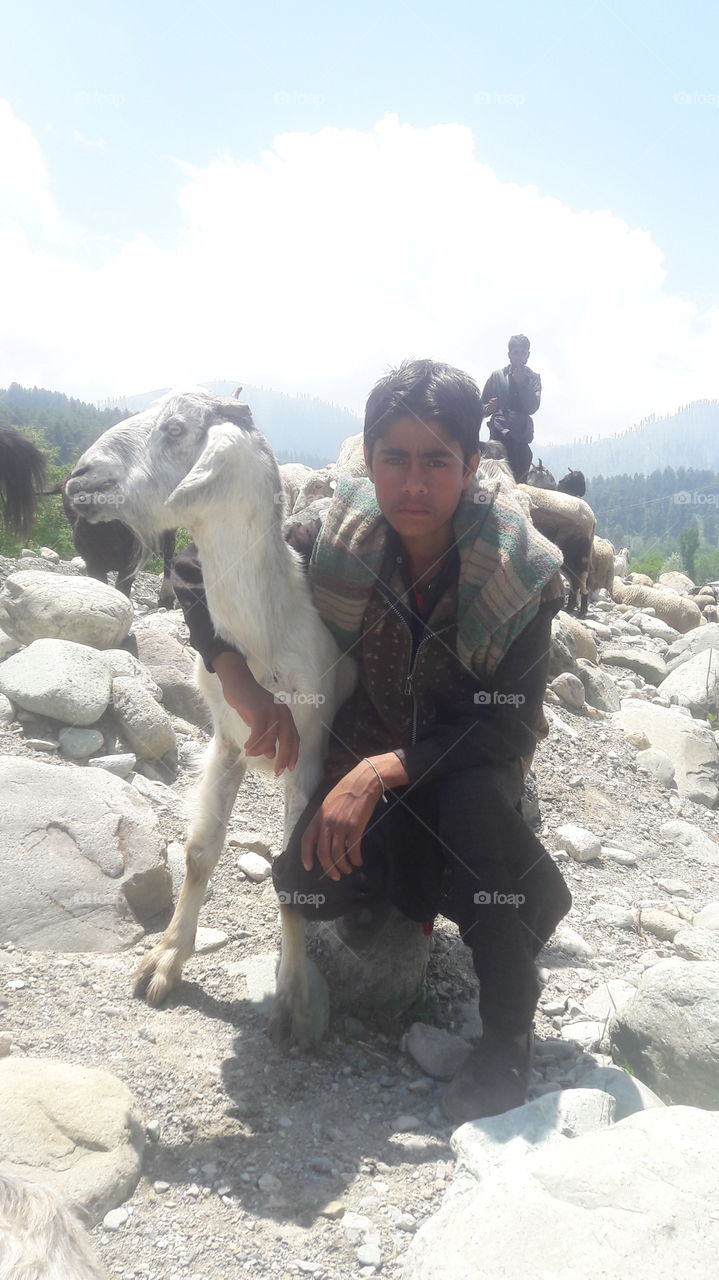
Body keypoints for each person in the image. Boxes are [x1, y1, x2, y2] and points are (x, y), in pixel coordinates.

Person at [171, 359, 571, 1123]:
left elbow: (506, 724)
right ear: (368, 455)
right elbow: (194, 562)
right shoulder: (339, 534)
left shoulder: (518, 572)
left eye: (435, 462)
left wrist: (381, 773)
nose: (412, 484)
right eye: (394, 458)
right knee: (304, 885)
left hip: (463, 768)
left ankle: (508, 1025)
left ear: (470, 465)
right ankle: (425, 889)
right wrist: (237, 677)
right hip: (370, 766)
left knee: (472, 807)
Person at [481, 334, 541, 482]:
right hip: (498, 439)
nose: (519, 356)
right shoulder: (497, 376)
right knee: (494, 481)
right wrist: (489, 408)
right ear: (509, 354)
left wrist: (522, 385)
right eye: (516, 352)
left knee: (519, 482)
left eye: (523, 352)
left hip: (521, 437)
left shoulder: (533, 378)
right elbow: (479, 407)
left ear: (528, 355)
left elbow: (532, 407)